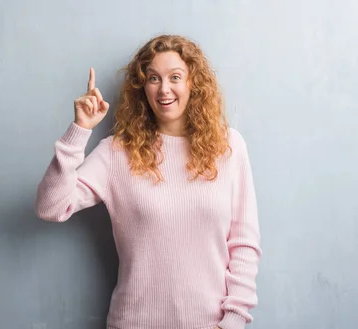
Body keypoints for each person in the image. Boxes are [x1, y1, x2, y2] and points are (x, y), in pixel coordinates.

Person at [34, 34, 261, 329]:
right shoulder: (117, 152)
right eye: (153, 78)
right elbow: (51, 207)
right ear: (143, 87)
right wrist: (80, 129)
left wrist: (232, 322)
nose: (164, 89)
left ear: (194, 82)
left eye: (175, 77)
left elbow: (244, 244)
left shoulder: (229, 147)